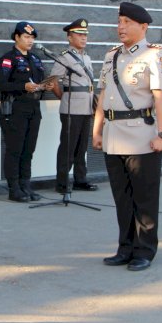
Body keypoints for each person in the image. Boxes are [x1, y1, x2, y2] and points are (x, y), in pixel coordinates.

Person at [92, 2, 162, 272]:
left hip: (142, 135)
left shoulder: (156, 57)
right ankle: (125, 248)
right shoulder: (111, 56)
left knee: (144, 198)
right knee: (122, 198)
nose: (121, 27)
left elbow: (161, 99)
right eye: (119, 21)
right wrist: (97, 129)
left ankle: (145, 250)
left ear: (143, 26)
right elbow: (103, 96)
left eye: (127, 22)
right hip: (114, 135)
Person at [0, 22, 46, 202]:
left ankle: (26, 186)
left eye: (32, 37)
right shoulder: (8, 59)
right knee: (14, 150)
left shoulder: (36, 59)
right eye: (26, 37)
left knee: (28, 150)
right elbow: (0, 85)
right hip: (15, 109)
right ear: (16, 37)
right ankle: (14, 188)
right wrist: (23, 86)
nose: (30, 40)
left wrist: (44, 86)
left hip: (33, 109)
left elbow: (39, 81)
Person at [48, 19, 99, 194]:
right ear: (69, 38)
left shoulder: (87, 57)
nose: (83, 38)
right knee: (68, 147)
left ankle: (80, 179)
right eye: (79, 35)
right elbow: (53, 81)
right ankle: (62, 183)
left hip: (86, 108)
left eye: (85, 35)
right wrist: (64, 98)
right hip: (71, 108)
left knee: (82, 147)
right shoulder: (65, 57)